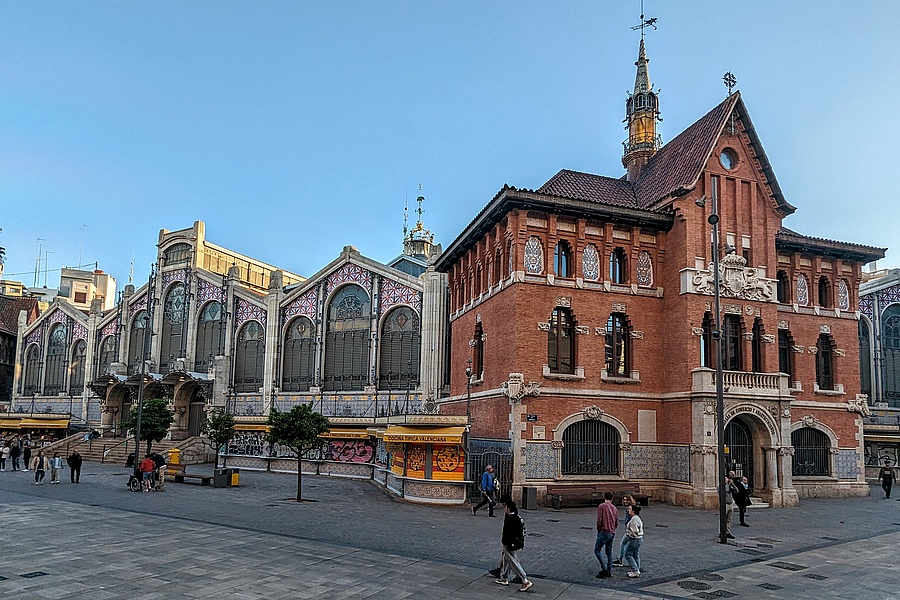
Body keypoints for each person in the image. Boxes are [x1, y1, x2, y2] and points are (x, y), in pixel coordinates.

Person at [492, 498, 533, 592]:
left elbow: (508, 533)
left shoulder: (511, 519)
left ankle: (525, 580)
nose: (504, 509)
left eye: (506, 507)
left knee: (512, 561)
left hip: (509, 543)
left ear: (509, 509)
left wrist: (506, 542)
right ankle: (504, 578)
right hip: (512, 543)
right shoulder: (515, 517)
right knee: (507, 559)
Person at [594, 491, 618, 579]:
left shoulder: (602, 506)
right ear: (612, 498)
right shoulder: (614, 508)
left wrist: (599, 529)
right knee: (609, 551)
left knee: (597, 550)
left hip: (604, 531)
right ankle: (609, 569)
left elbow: (599, 520)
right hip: (612, 532)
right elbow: (616, 521)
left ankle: (604, 568)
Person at [612, 494, 635, 567]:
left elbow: (629, 520)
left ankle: (620, 560)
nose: (625, 501)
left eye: (626, 500)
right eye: (624, 500)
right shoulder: (629, 508)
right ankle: (635, 562)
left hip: (630, 531)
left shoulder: (629, 509)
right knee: (632, 547)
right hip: (630, 530)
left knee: (623, 544)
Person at [624, 504, 644, 578]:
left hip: (634, 539)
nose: (629, 510)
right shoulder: (637, 518)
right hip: (639, 539)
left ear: (633, 511)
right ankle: (636, 568)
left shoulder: (634, 520)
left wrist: (630, 535)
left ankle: (635, 570)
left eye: (630, 509)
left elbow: (634, 531)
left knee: (628, 554)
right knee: (635, 554)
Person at [721, 473, 738, 540]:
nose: (727, 480)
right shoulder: (722, 486)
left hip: (730, 504)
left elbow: (736, 490)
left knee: (729, 519)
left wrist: (732, 484)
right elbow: (725, 490)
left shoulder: (730, 486)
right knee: (723, 519)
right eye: (725, 479)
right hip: (725, 504)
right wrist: (726, 484)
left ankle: (727, 532)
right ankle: (722, 532)